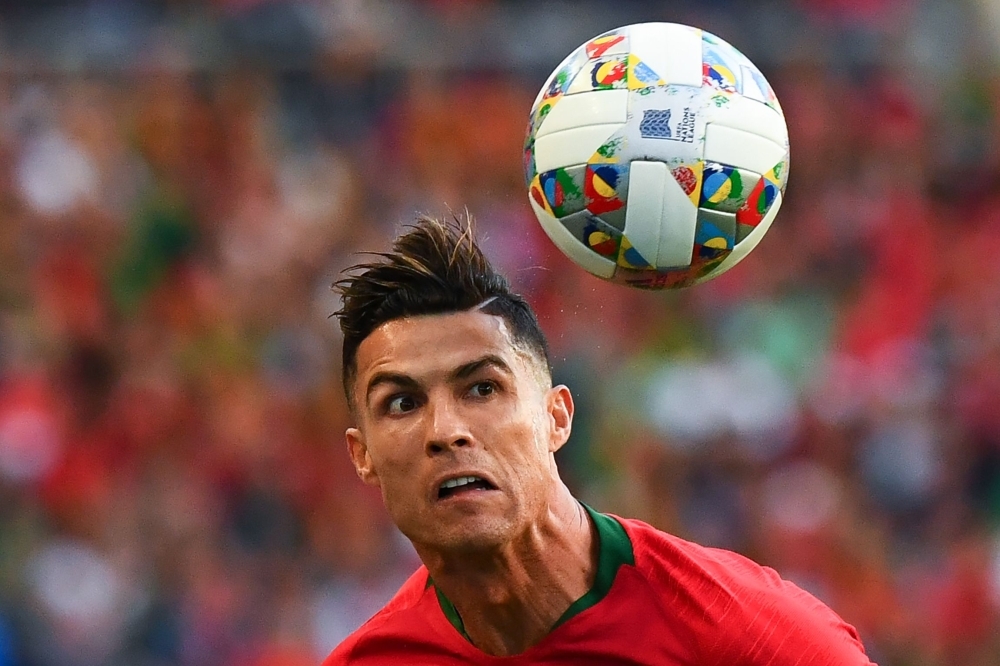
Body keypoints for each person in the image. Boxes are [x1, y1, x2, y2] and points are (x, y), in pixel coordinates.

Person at [323, 215, 875, 665]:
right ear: (362, 455)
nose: (446, 431)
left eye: (482, 388)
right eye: (402, 403)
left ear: (556, 418)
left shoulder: (745, 637)